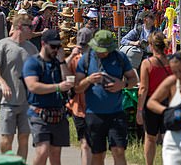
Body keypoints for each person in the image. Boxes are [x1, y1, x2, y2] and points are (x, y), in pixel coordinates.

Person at [75, 30, 139, 165]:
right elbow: (77, 87)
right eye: (99, 49)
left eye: (105, 50)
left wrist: (122, 84)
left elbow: (133, 79)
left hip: (116, 113)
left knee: (118, 151)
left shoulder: (120, 57)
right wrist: (88, 80)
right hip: (94, 114)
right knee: (98, 155)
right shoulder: (86, 59)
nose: (102, 53)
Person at [0, 13, 38, 159]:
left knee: (24, 139)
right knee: (7, 139)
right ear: (19, 27)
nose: (32, 30)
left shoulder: (32, 49)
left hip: (27, 102)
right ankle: (6, 162)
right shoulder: (3, 45)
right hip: (8, 101)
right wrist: (3, 83)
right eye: (30, 27)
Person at [22, 29, 74, 165]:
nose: (56, 49)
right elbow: (33, 86)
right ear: (43, 44)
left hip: (58, 113)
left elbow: (68, 81)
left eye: (59, 46)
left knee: (55, 154)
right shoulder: (33, 62)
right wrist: (57, 87)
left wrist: (62, 61)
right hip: (39, 113)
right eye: (53, 46)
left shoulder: (58, 63)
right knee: (42, 151)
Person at [147, 51, 181, 165]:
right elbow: (151, 102)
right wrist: (169, 111)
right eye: (174, 72)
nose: (179, 75)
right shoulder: (172, 82)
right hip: (174, 138)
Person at [136, 32, 172, 165]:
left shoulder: (147, 63)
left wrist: (139, 110)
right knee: (167, 138)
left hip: (151, 103)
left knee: (150, 137)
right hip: (168, 103)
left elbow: (143, 88)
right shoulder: (171, 62)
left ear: (151, 46)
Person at [65, 37, 92, 165]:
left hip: (95, 108)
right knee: (85, 143)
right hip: (78, 108)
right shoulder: (74, 59)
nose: (82, 48)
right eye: (81, 45)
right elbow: (61, 72)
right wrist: (71, 56)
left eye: (85, 45)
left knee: (94, 145)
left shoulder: (97, 59)